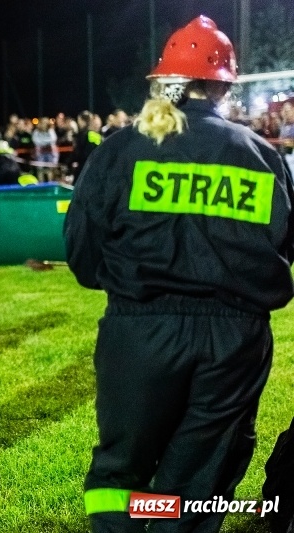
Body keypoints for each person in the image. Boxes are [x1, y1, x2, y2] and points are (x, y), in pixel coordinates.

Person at [64, 17, 294, 532]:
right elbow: (284, 244)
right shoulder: (263, 157)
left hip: (140, 329)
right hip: (235, 338)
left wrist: (126, 286)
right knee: (200, 479)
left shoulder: (122, 149)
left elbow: (82, 246)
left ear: (164, 81)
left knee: (122, 467)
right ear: (222, 84)